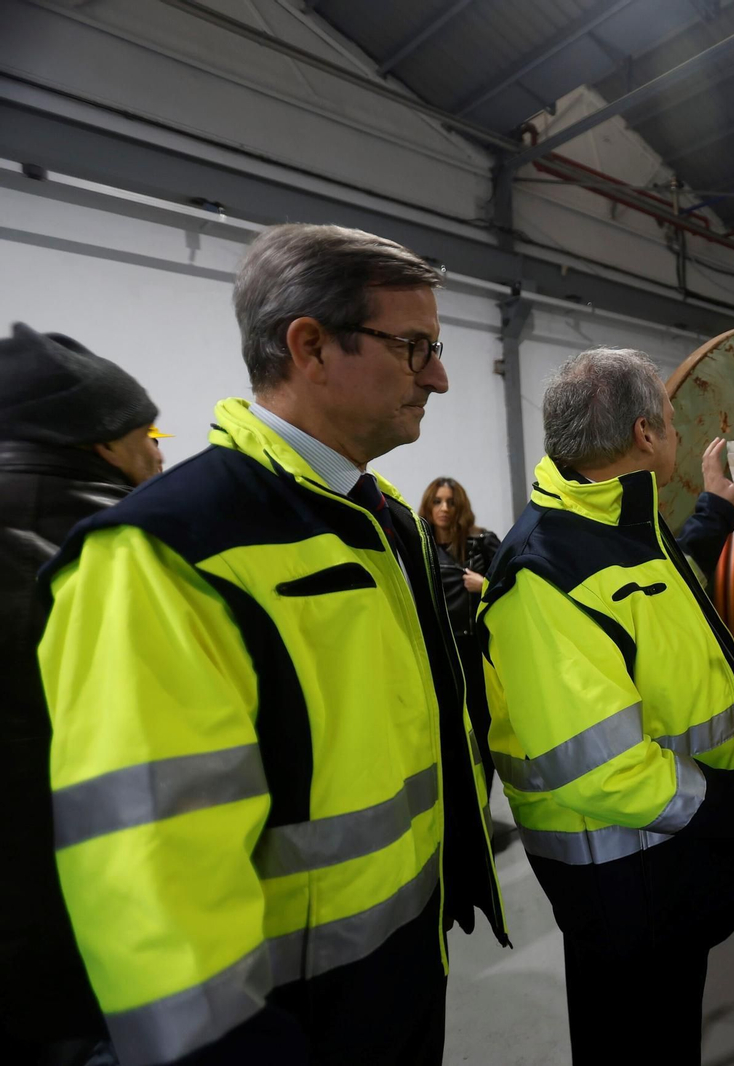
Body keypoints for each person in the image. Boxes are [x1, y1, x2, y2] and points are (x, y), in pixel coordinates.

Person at [35, 223, 507, 1066]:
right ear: (311, 345)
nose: (438, 375)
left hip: (401, 973)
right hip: (287, 1025)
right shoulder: (163, 553)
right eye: (414, 347)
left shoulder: (383, 520)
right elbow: (150, 878)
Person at [477, 346, 734, 1064]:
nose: (676, 435)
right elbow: (610, 773)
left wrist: (718, 506)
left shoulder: (615, 534)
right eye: (671, 423)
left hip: (666, 873)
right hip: (625, 889)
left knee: (667, 1034)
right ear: (645, 435)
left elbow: (667, 594)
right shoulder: (543, 577)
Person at [0, 324, 168, 1065]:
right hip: (99, 938)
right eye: (149, 433)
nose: (160, 452)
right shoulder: (129, 553)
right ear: (101, 442)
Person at [420, 477, 500, 770]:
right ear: (428, 506)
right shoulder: (420, 545)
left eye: (450, 502)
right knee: (446, 729)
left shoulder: (480, 542)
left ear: (460, 507)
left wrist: (485, 585)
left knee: (483, 725)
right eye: (437, 501)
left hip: (475, 649)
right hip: (439, 649)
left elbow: (517, 585)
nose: (444, 508)